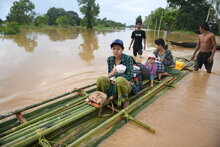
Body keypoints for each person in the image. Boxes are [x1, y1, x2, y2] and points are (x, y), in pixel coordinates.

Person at [96, 39, 134, 108]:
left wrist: (114, 75)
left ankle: (124, 99)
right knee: (101, 79)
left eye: (118, 49)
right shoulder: (110, 59)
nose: (115, 51)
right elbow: (109, 74)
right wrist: (111, 77)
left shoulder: (128, 58)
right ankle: (104, 95)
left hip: (125, 84)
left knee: (119, 80)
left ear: (122, 49)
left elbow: (129, 76)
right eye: (113, 49)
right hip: (113, 82)